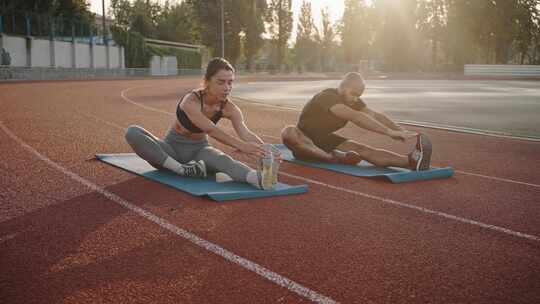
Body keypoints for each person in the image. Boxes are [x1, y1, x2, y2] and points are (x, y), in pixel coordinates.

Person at [125, 57, 278, 190]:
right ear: (207, 81)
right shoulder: (191, 100)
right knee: (132, 132)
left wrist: (265, 151)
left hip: (200, 152)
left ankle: (257, 179)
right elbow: (211, 129)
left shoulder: (230, 109)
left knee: (222, 160)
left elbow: (245, 132)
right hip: (169, 152)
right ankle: (182, 170)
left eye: (230, 82)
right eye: (221, 82)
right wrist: (242, 146)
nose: (227, 88)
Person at [281, 72, 432, 171]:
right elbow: (356, 117)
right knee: (288, 132)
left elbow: (375, 115)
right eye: (353, 94)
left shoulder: (355, 101)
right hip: (302, 140)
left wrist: (399, 130)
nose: (355, 99)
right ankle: (334, 157)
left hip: (323, 141)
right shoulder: (327, 96)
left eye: (358, 95)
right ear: (343, 86)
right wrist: (388, 132)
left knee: (362, 149)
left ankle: (411, 161)